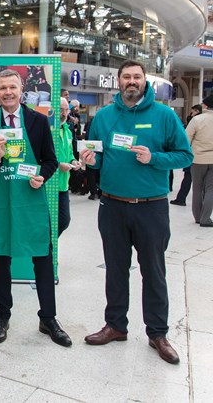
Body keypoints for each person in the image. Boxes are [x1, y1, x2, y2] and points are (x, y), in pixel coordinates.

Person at [80, 60, 192, 364]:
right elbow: (99, 161)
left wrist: (153, 157)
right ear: (118, 82)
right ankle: (116, 325)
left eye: (137, 77)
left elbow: (185, 155)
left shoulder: (165, 116)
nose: (132, 81)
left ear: (145, 82)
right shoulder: (103, 117)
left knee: (153, 271)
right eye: (126, 77)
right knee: (116, 269)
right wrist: (91, 161)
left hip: (151, 207)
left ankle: (158, 332)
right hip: (112, 205)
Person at [0, 69, 71, 348]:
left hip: (31, 200)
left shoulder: (38, 121)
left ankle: (48, 318)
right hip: (0, 201)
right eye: (2, 88)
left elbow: (50, 160)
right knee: (1, 259)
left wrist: (42, 176)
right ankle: (2, 316)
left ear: (21, 90)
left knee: (42, 259)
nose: (7, 92)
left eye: (12, 87)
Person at [186, 96, 213, 227]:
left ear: (206, 106)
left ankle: (197, 217)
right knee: (210, 189)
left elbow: (186, 139)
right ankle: (206, 218)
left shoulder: (197, 120)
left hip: (197, 159)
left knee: (197, 188)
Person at [56, 97, 81, 236]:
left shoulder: (67, 131)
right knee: (51, 222)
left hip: (63, 184)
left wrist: (73, 161)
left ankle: (51, 250)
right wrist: (59, 165)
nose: (64, 113)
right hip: (49, 184)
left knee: (64, 220)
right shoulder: (49, 130)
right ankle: (50, 253)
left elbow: (70, 152)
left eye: (66, 110)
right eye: (61, 110)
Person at [171, 104, 202, 206]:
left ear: (197, 111)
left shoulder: (195, 121)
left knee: (188, 177)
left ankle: (181, 198)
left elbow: (186, 139)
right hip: (208, 158)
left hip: (195, 154)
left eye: (192, 112)